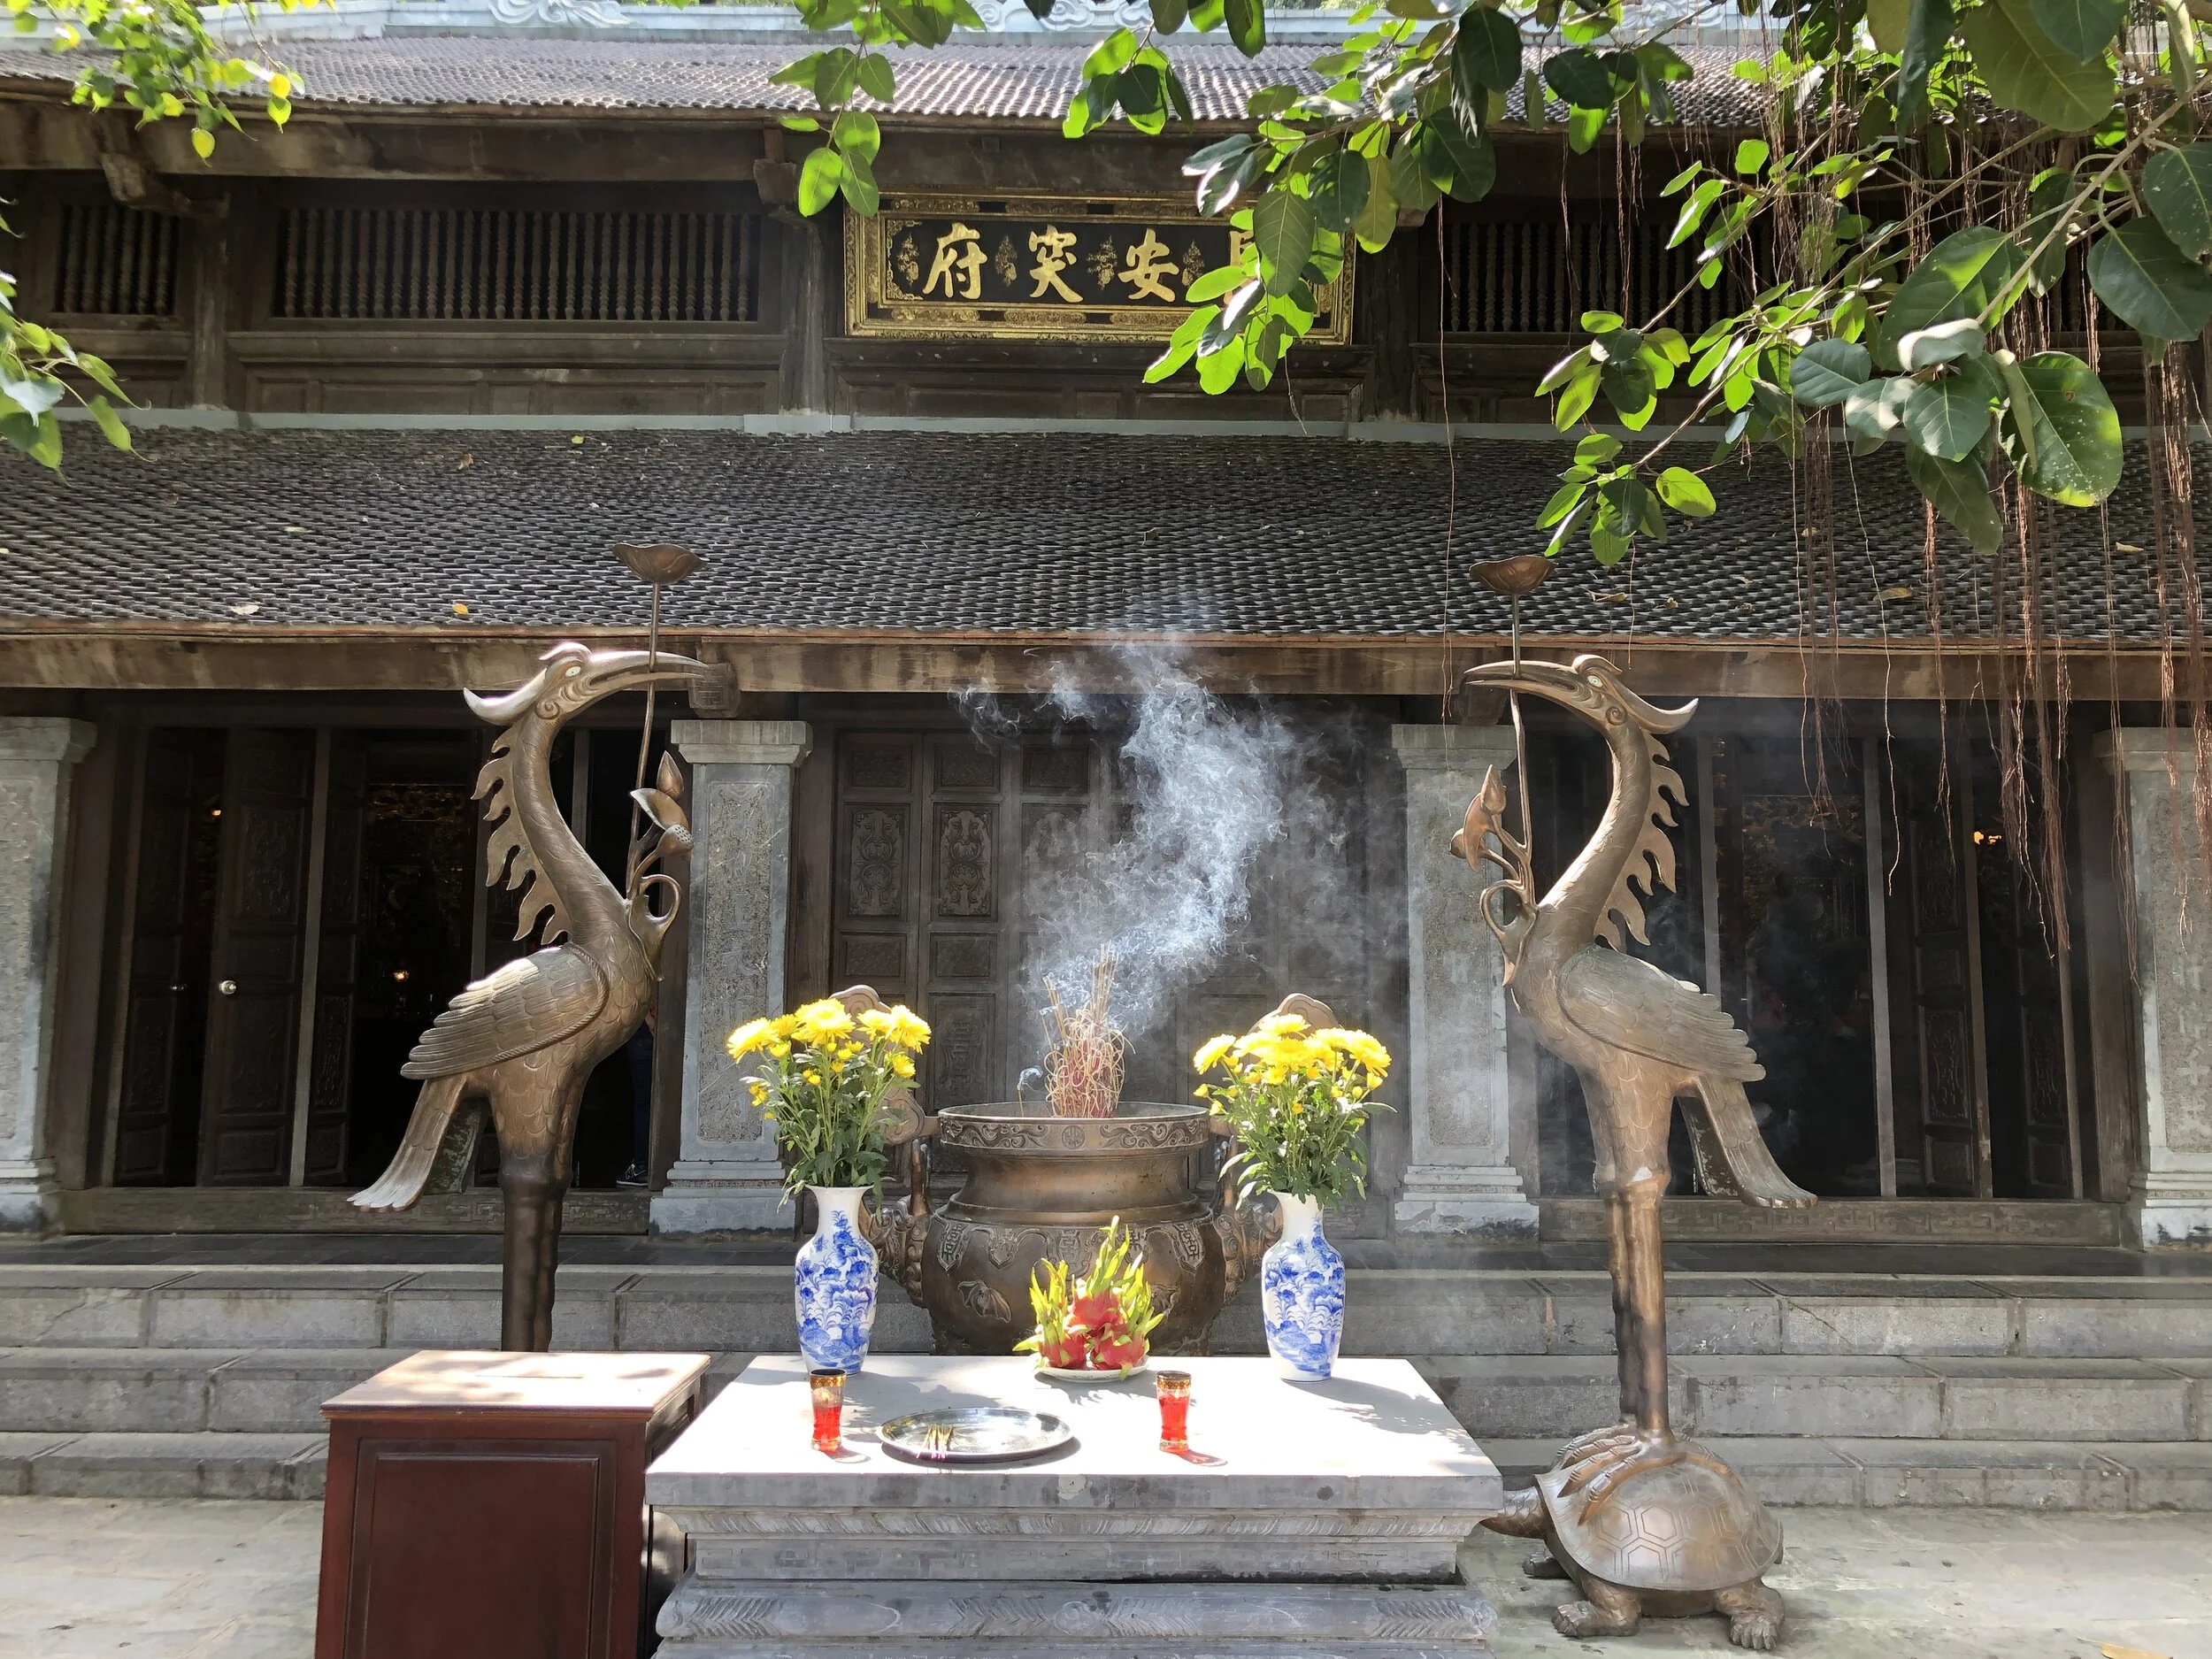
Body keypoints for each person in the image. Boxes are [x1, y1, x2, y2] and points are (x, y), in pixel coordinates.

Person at [617, 1011, 654, 1188]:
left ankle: (641, 1166)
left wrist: (647, 1018)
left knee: (644, 1102)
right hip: (664, 1025)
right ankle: (655, 1165)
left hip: (644, 1025)